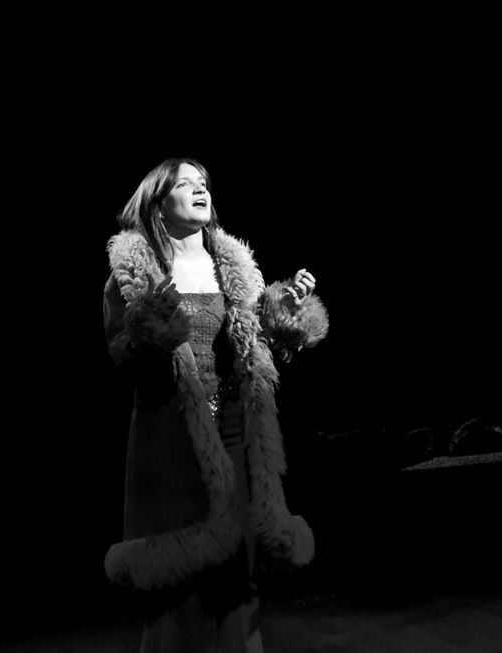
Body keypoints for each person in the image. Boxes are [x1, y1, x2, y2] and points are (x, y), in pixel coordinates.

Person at [102, 157, 329, 652]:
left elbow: (256, 347)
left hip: (232, 432)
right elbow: (123, 354)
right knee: (179, 588)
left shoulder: (234, 270)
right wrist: (150, 325)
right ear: (158, 205)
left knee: (237, 581)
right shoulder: (136, 275)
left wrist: (285, 309)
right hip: (170, 440)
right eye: (185, 184)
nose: (199, 190)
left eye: (203, 183)